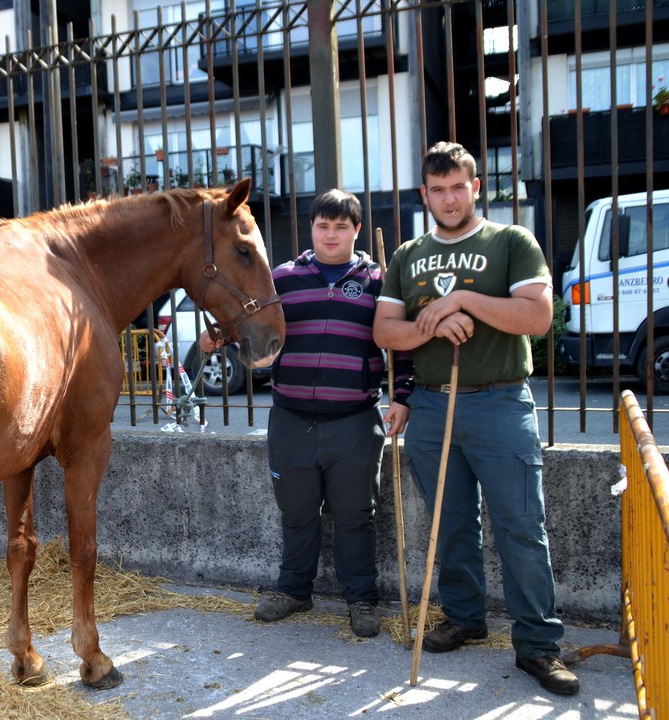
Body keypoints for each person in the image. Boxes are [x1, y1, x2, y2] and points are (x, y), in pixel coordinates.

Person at [372, 141, 579, 695]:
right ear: (424, 194)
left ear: (476, 187)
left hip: (499, 402)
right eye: (438, 190)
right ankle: (465, 618)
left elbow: (537, 316)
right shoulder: (409, 255)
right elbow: (385, 331)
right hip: (432, 404)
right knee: (451, 522)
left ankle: (538, 644)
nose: (449, 199)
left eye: (458, 187)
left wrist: (461, 300)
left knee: (521, 525)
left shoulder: (510, 241)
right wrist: (434, 324)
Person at [203, 189, 413, 637]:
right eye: (323, 226)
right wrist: (220, 336)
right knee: (296, 512)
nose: (331, 234)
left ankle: (361, 599)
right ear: (311, 229)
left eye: (341, 227)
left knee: (356, 514)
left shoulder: (379, 280)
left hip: (355, 421)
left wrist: (403, 396)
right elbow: (250, 321)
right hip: (291, 418)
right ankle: (294, 591)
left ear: (356, 230)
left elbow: (401, 345)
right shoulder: (282, 278)